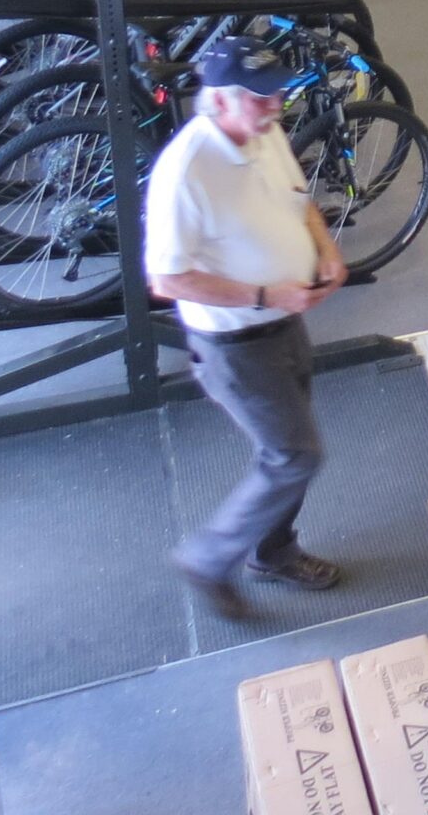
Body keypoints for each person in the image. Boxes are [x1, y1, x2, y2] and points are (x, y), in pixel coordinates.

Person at [145, 36, 348, 618]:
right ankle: (207, 559)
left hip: (285, 323)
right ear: (220, 101)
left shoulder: (262, 134)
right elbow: (168, 280)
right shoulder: (185, 172)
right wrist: (264, 294)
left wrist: (324, 248)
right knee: (293, 455)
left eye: (276, 89)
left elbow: (297, 198)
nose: (276, 103)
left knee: (290, 448)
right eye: (261, 95)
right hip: (235, 344)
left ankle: (273, 550)